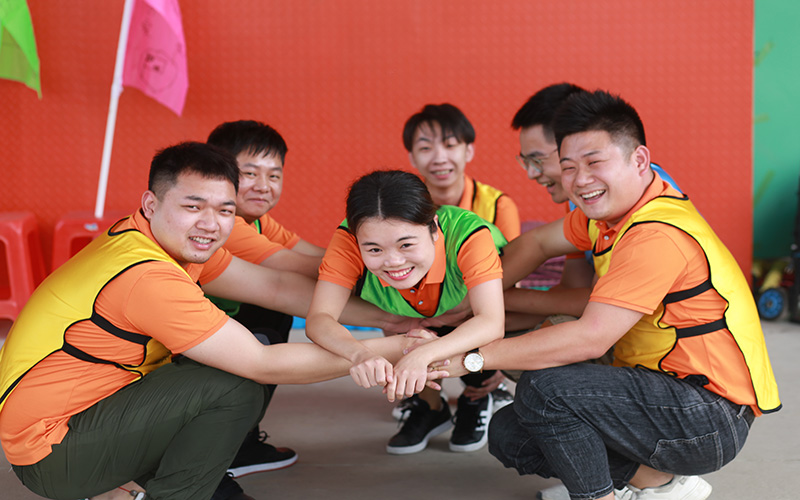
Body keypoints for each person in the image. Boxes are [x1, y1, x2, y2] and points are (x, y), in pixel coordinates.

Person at [0, 143, 441, 500]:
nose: (210, 224)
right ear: (151, 203)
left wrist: (393, 320)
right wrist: (399, 348)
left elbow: (276, 288)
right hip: (53, 451)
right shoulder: (146, 275)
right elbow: (262, 364)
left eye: (225, 210)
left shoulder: (153, 239)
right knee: (234, 383)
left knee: (227, 356)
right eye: (194, 206)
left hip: (90, 414)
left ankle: (152, 485)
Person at [441, 90, 781, 500]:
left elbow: (590, 336)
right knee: (510, 432)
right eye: (569, 167)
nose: (580, 179)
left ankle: (601, 494)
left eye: (594, 162)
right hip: (656, 385)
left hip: (709, 416)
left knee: (546, 388)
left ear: (639, 160)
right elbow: (537, 244)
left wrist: (470, 356)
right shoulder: (607, 215)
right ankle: (660, 485)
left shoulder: (655, 232)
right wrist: (470, 303)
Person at [306, 170, 505, 455]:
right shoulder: (348, 238)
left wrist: (421, 356)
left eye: (406, 244)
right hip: (408, 314)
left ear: (434, 228)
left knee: (476, 335)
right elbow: (319, 318)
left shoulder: (470, 234)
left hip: (469, 309)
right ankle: (429, 406)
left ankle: (478, 394)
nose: (393, 261)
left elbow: (492, 321)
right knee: (403, 328)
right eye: (375, 250)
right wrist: (360, 354)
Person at [205, 120, 318, 476]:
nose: (264, 186)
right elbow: (296, 266)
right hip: (173, 351)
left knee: (274, 317)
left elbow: (316, 254)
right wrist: (385, 260)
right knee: (275, 312)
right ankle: (222, 451)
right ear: (219, 172)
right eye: (250, 173)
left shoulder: (258, 221)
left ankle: (242, 439)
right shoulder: (223, 223)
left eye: (274, 175)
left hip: (208, 334)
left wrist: (373, 253)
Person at [403, 102, 520, 411]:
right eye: (425, 148)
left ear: (469, 150)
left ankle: (480, 395)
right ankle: (426, 404)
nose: (439, 157)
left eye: (450, 145)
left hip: (476, 307)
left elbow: (512, 275)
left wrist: (501, 352)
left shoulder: (498, 206)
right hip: (418, 308)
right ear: (411, 157)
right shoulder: (401, 210)